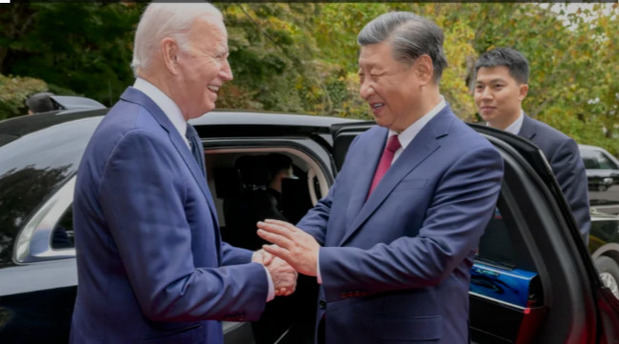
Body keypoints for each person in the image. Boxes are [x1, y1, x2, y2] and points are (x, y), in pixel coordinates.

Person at [257, 12, 504, 344]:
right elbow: (332, 209)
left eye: (375, 74)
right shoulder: (368, 141)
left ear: (422, 70)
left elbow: (432, 255)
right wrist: (288, 249)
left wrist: (319, 261)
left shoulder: (472, 155)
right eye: (361, 75)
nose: (363, 90)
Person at [70, 3, 296, 344]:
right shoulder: (139, 142)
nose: (228, 72)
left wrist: (253, 258)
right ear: (172, 55)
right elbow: (169, 291)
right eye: (218, 56)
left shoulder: (176, 133)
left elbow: (193, 249)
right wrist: (263, 278)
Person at [474, 47, 590, 242]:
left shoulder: (557, 147)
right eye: (479, 87)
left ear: (522, 91)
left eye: (497, 86)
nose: (485, 95)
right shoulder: (467, 139)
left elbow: (574, 225)